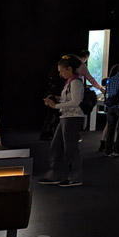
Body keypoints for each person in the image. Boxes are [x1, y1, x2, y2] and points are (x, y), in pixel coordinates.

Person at [39, 55, 86, 187]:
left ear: (70, 69)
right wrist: (57, 99)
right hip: (66, 117)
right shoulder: (71, 82)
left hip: (72, 117)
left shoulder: (75, 82)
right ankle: (56, 174)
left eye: (62, 71)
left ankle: (75, 177)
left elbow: (76, 102)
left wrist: (56, 105)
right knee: (57, 146)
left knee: (70, 148)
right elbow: (71, 100)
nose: (61, 74)